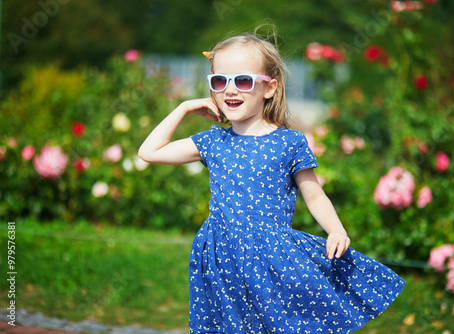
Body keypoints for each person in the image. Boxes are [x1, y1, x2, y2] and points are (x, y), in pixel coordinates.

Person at [139, 27, 405, 334]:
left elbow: (314, 194)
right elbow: (149, 152)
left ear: (269, 87)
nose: (230, 90)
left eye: (242, 80)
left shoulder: (289, 143)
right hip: (219, 255)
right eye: (219, 81)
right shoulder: (213, 142)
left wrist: (336, 229)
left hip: (272, 257)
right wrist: (184, 108)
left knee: (277, 326)